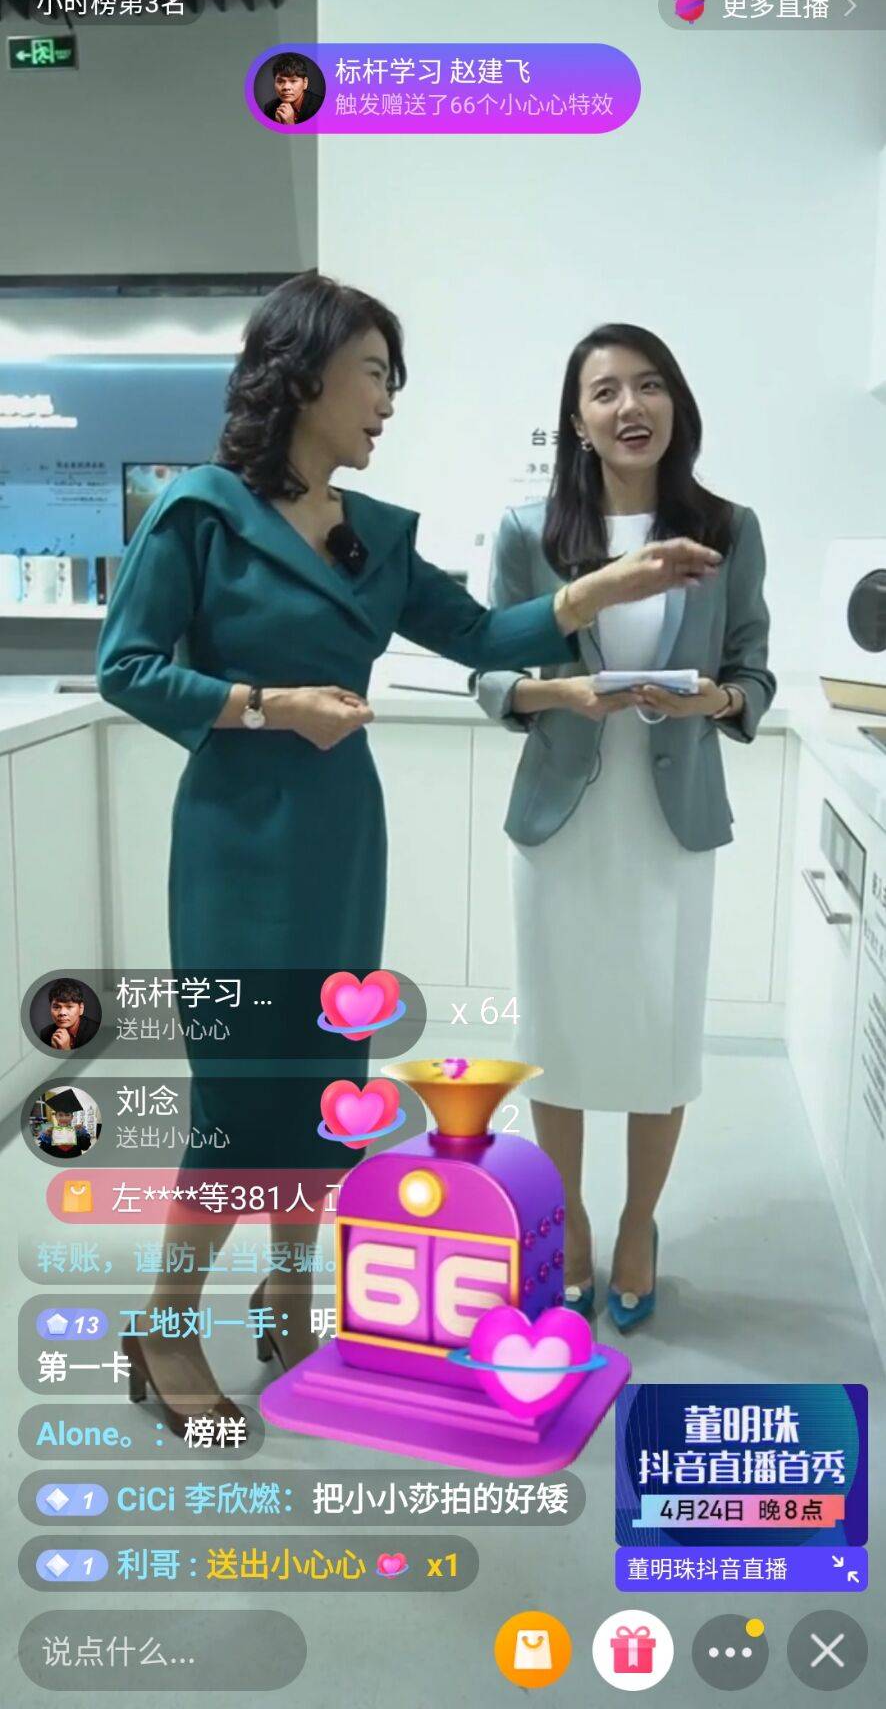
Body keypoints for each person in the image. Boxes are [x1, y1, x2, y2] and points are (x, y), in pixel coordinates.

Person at [96, 275, 720, 1435]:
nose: (387, 402)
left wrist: (599, 588)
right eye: (375, 375)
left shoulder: (372, 535)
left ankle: (289, 1296)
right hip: (237, 838)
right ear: (305, 374)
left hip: (342, 836)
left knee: (323, 1081)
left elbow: (479, 634)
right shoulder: (201, 512)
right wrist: (266, 705)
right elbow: (126, 668)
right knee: (239, 1094)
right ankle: (164, 1325)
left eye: (393, 380)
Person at [474, 323, 774, 1332]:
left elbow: (752, 665)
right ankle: (569, 1227)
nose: (629, 407)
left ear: (676, 405)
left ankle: (639, 1223)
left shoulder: (728, 529)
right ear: (577, 420)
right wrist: (557, 694)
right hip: (561, 826)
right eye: (604, 391)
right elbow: (488, 670)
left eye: (649, 386)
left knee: (658, 1033)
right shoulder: (528, 532)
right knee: (557, 1036)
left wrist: (717, 702)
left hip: (669, 827)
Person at [38, 979, 100, 1051]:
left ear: (81, 1008)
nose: (62, 1013)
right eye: (56, 1007)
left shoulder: (97, 1032)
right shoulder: (45, 1034)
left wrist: (66, 1050)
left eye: (69, 1007)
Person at [261, 54, 323, 125]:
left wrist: (290, 125)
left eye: (293, 81)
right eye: (280, 81)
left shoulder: (321, 106)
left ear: (305, 83)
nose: (286, 87)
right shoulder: (269, 108)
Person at [36, 1089, 92, 1157]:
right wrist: (47, 1138)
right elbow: (43, 1152)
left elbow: (85, 1147)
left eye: (67, 1115)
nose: (64, 1118)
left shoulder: (77, 1132)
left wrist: (83, 1136)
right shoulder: (50, 1132)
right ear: (56, 1117)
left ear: (72, 1117)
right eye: (60, 1115)